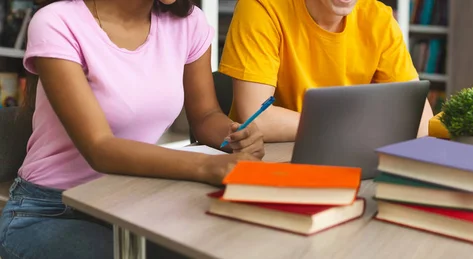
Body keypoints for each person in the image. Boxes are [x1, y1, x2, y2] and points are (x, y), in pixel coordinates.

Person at [0, 0, 265, 258]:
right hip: (51, 210)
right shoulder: (57, 22)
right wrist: (207, 166)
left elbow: (206, 115)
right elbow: (99, 148)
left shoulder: (189, 23)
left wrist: (234, 135)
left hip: (133, 201)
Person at [220, 0, 434, 143]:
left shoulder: (379, 18)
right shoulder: (260, 7)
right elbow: (258, 119)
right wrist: (357, 129)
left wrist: (345, 131)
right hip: (269, 156)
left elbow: (419, 120)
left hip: (348, 155)